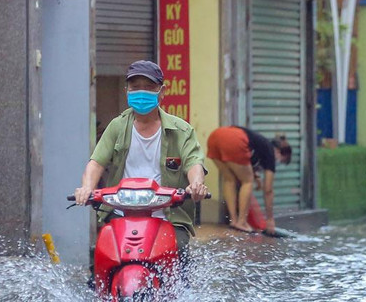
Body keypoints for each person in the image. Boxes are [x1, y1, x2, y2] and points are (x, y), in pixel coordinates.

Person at [73, 60, 210, 252]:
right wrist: (87, 187)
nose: (141, 92)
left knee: (178, 256)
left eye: (149, 87)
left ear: (162, 92)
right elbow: (96, 163)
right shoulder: (117, 126)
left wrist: (195, 184)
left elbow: (194, 163)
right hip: (120, 213)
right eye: (135, 87)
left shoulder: (181, 130)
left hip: (168, 217)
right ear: (127, 91)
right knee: (101, 256)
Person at [205, 126, 292, 234]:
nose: (278, 162)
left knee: (229, 179)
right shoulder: (270, 152)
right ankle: (241, 222)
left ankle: (234, 220)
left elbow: (245, 166)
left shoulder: (261, 145)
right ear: (278, 152)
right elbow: (268, 190)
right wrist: (270, 219)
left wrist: (256, 178)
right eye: (281, 161)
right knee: (247, 181)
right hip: (234, 139)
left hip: (215, 136)